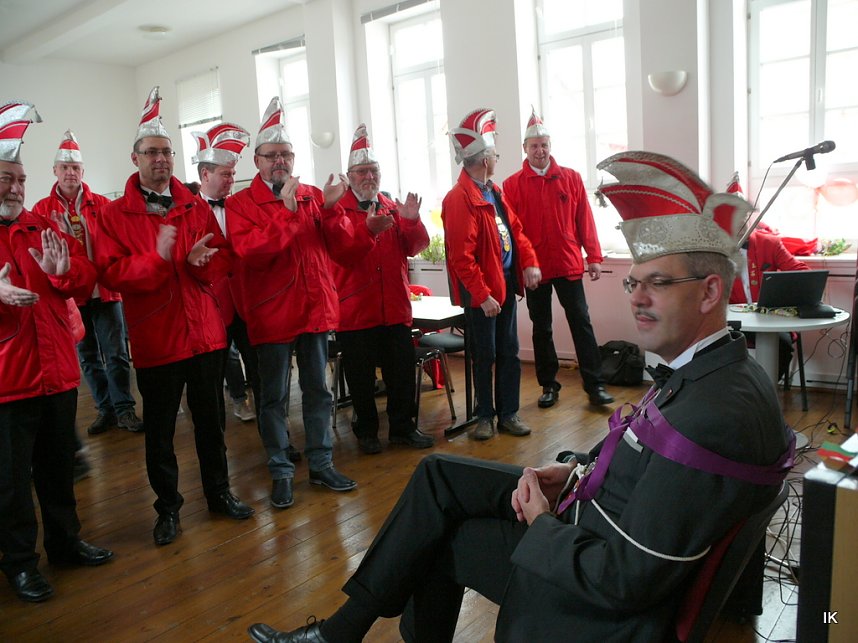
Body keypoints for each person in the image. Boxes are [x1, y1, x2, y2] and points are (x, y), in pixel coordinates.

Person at [246, 151, 794, 642]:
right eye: (635, 283)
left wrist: (542, 525)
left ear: (711, 291)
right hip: (589, 513)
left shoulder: (712, 412)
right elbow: (644, 468)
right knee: (437, 477)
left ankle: (337, 636)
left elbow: (625, 580)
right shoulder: (717, 373)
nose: (639, 300)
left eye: (658, 284)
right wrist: (576, 473)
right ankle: (338, 636)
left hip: (595, 601)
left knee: (440, 541)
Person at [94, 87, 254, 547]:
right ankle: (167, 509)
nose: (161, 159)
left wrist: (202, 263)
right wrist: (161, 259)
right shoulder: (114, 214)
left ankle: (219, 494)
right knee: (161, 434)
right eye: (151, 152)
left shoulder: (193, 203)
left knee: (212, 423)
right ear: (135, 158)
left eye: (167, 151)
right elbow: (114, 273)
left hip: (204, 334)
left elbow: (221, 258)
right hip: (158, 341)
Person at [0, 101, 113, 603]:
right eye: (6, 178)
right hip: (9, 383)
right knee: (11, 485)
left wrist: (61, 271)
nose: (16, 188)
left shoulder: (39, 226)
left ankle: (66, 543)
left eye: (20, 179)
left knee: (57, 470)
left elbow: (84, 285)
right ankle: (20, 563)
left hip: (57, 374)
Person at [227, 97, 357, 510]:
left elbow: (342, 248)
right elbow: (253, 252)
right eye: (271, 156)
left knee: (318, 391)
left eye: (285, 154)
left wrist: (335, 210)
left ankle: (321, 464)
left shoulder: (314, 196)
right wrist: (285, 213)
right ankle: (282, 471)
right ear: (257, 160)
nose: (279, 161)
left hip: (315, 312)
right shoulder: (239, 205)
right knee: (273, 399)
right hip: (272, 315)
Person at [328, 124, 433, 454]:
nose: (368, 177)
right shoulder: (336, 210)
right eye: (361, 171)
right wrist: (368, 231)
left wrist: (413, 220)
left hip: (395, 309)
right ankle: (367, 432)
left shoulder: (392, 206)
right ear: (349, 175)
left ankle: (403, 428)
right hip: (355, 312)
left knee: (401, 374)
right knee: (360, 379)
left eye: (373, 170)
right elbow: (342, 253)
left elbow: (416, 247)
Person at [32, 130, 144, 434]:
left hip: (106, 292)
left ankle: (125, 409)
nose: (70, 173)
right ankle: (105, 408)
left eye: (76, 168)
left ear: (83, 171)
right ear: (54, 171)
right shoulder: (41, 211)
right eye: (65, 168)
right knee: (88, 358)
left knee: (118, 355)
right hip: (70, 298)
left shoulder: (103, 205)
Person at [442, 108, 541, 441]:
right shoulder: (460, 199)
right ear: (484, 160)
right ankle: (485, 415)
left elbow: (516, 232)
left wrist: (528, 262)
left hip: (505, 287)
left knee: (509, 353)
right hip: (483, 295)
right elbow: (461, 258)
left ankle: (508, 413)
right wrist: (482, 295)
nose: (497, 160)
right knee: (485, 357)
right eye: (495, 155)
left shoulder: (494, 192)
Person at [503, 109, 613, 408]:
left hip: (568, 264)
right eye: (534, 145)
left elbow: (584, 219)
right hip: (535, 268)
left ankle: (595, 385)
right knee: (542, 327)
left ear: (550, 146)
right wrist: (523, 266)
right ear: (525, 149)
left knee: (582, 322)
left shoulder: (571, 178)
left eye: (544, 144)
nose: (540, 150)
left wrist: (594, 256)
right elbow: (512, 231)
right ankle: (548, 385)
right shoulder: (512, 186)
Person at [190, 122, 257, 424]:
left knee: (258, 367)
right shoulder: (188, 213)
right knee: (212, 375)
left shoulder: (242, 207)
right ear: (205, 175)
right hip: (212, 306)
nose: (232, 180)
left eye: (232, 174)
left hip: (246, 301)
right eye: (225, 174)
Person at [726, 175, 809, 382]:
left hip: (770, 319)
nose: (741, 222)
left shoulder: (769, 243)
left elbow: (801, 272)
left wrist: (784, 290)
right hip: (731, 322)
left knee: (782, 345)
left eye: (744, 216)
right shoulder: (713, 250)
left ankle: (763, 393)